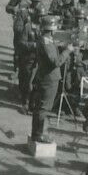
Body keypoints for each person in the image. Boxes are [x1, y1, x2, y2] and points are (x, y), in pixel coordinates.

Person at [27, 15, 63, 145]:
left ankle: (37, 132)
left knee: (41, 107)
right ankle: (38, 135)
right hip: (49, 79)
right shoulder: (46, 42)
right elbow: (56, 62)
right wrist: (68, 51)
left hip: (46, 77)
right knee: (44, 108)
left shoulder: (47, 39)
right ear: (52, 29)